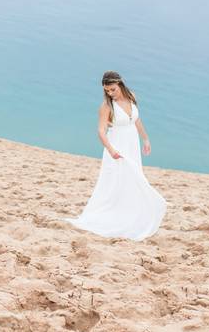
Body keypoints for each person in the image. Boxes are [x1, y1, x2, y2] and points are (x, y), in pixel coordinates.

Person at [62, 71, 167, 240]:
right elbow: (101, 131)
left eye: (113, 89)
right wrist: (111, 149)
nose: (110, 93)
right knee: (116, 181)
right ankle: (114, 216)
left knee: (133, 179)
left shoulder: (131, 97)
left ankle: (132, 213)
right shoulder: (106, 106)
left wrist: (146, 139)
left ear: (120, 85)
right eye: (107, 91)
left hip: (132, 143)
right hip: (117, 146)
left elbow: (136, 120)